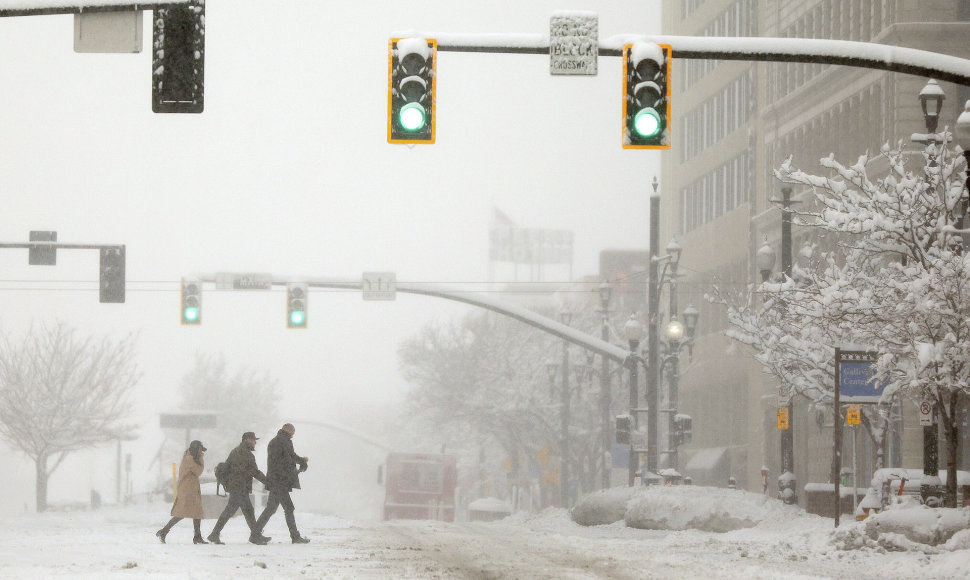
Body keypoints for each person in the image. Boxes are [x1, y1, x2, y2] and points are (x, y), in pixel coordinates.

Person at [207, 432, 271, 545]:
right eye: (253, 440)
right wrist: (268, 482)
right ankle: (255, 536)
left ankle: (215, 534)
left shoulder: (235, 451)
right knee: (246, 511)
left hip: (236, 486)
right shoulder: (246, 454)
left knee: (236, 511)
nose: (255, 442)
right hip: (240, 487)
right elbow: (254, 471)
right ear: (247, 440)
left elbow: (227, 466)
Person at [255, 423, 310, 544]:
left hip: (277, 480)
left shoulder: (278, 441)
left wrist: (301, 461)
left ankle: (255, 533)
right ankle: (295, 537)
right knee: (288, 508)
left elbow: (288, 457)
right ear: (288, 430)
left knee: (271, 509)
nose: (293, 434)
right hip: (280, 481)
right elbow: (288, 458)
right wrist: (301, 462)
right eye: (293, 431)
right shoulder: (282, 441)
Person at [156, 440, 208, 544]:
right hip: (188, 489)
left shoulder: (190, 457)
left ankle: (197, 536)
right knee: (182, 513)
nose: (201, 451)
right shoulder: (190, 459)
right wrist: (201, 458)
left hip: (190, 488)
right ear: (196, 449)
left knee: (196, 512)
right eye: (200, 449)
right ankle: (164, 531)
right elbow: (198, 471)